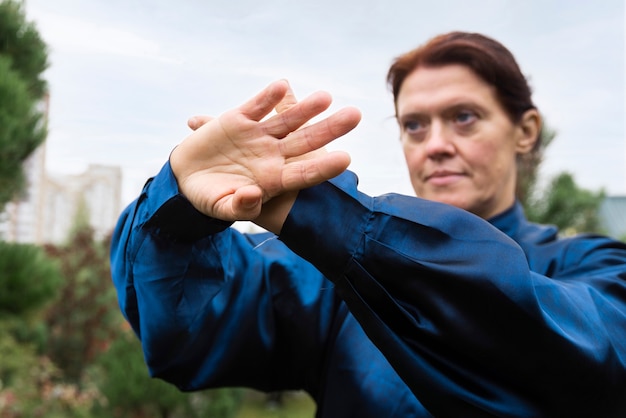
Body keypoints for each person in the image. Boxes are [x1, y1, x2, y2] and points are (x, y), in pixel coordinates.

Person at [110, 32, 626, 417]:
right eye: (414, 125)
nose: (436, 143)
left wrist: (328, 216)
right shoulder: (332, 279)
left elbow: (589, 363)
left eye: (464, 117)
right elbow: (195, 328)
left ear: (525, 131)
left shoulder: (592, 267)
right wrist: (178, 209)